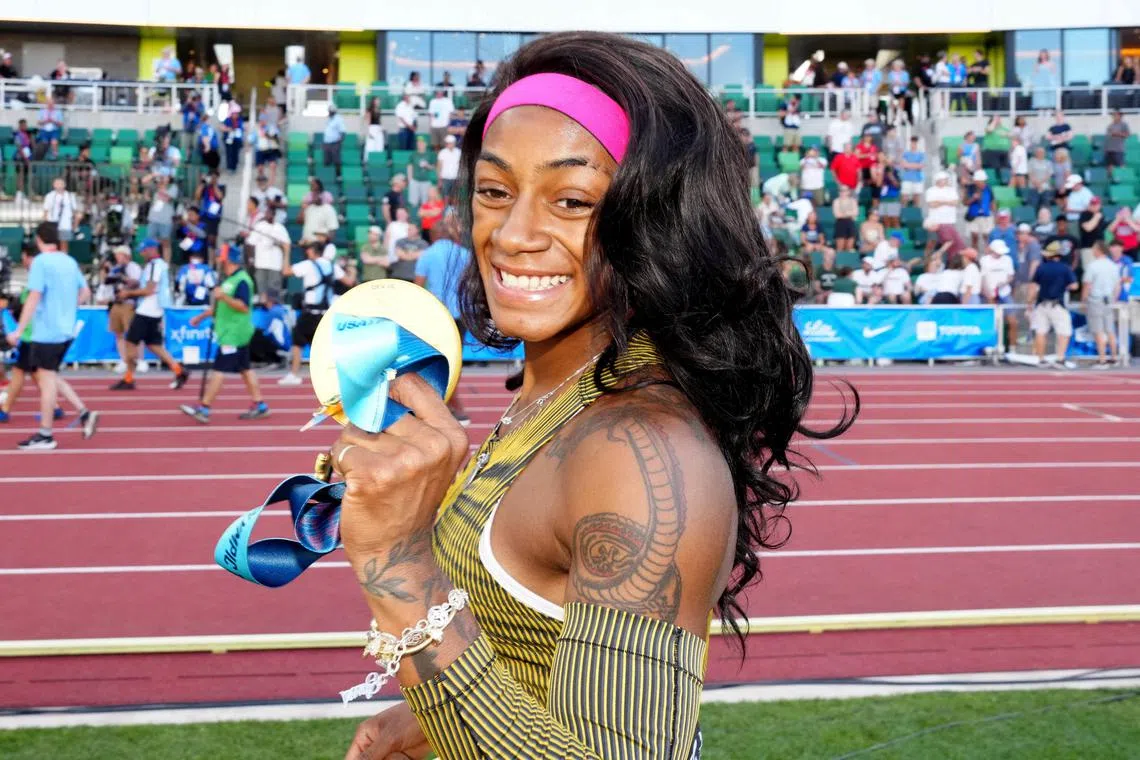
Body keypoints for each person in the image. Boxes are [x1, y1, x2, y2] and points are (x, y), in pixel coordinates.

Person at [333, 33, 852, 760]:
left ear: (655, 219)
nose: (514, 234)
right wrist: (431, 720)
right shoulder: (552, 400)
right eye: (494, 191)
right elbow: (536, 655)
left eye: (571, 200)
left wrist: (402, 562)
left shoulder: (642, 452)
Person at [3, 223, 99, 449]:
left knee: (46, 384)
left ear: (39, 239)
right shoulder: (69, 260)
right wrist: (68, 308)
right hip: (65, 330)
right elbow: (85, 292)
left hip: (46, 331)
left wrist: (18, 330)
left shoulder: (41, 263)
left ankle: (45, 434)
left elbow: (34, 297)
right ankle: (82, 412)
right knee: (49, 378)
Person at [181, 245, 269, 422]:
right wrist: (202, 316)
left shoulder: (242, 280)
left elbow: (243, 306)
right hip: (231, 331)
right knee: (245, 369)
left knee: (219, 369)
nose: (218, 260)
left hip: (234, 333)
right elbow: (222, 304)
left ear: (228, 259)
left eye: (221, 257)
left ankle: (204, 407)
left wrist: (223, 297)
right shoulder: (228, 279)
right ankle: (260, 404)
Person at [110, 239, 190, 392]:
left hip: (147, 310)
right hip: (154, 309)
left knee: (130, 343)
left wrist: (128, 293)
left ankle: (128, 378)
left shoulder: (154, 266)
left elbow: (149, 290)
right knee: (154, 345)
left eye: (144, 250)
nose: (142, 254)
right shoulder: (157, 265)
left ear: (152, 250)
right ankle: (179, 370)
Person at [414, 214, 471, 426]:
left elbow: (418, 287)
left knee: (433, 361)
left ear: (432, 235)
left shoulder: (427, 255)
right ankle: (451, 405)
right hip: (459, 314)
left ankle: (450, 406)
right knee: (453, 360)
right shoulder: (465, 254)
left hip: (436, 314)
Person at [278, 241, 343, 386]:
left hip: (310, 313)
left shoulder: (308, 265)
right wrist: (350, 268)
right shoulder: (332, 265)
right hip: (326, 312)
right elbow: (349, 280)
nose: (306, 252)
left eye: (308, 250)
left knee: (297, 342)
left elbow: (286, 271)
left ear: (314, 251)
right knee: (325, 346)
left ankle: (294, 374)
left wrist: (287, 251)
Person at [1028, 242, 1079, 368]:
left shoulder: (1041, 268)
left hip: (1041, 304)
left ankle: (1041, 359)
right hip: (1057, 304)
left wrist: (1029, 303)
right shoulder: (1065, 268)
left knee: (1040, 332)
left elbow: (1033, 287)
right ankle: (1060, 358)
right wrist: (1064, 286)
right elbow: (1074, 285)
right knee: (1064, 332)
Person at [99, 245, 145, 374]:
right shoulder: (115, 268)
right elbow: (106, 282)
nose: (117, 257)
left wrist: (121, 277)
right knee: (118, 333)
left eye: (119, 255)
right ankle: (124, 360)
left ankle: (139, 360)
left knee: (133, 333)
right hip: (115, 302)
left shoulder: (133, 267)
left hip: (129, 302)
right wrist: (107, 270)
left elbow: (135, 283)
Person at [1082, 242, 1122, 368]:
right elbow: (1117, 285)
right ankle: (1114, 357)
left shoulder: (1093, 266)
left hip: (1096, 299)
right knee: (1110, 329)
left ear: (1099, 250)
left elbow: (1087, 284)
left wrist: (1084, 300)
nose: (1093, 252)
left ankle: (1102, 359)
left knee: (1098, 330)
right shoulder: (1113, 266)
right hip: (1108, 299)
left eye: (1094, 249)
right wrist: (1114, 299)